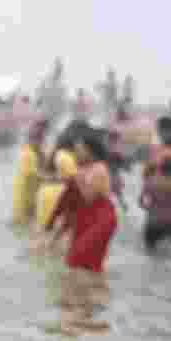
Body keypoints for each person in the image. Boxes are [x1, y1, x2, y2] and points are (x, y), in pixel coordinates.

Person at [45, 128, 119, 330]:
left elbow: (89, 196)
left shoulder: (99, 168)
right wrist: (56, 234)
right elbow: (71, 203)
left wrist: (75, 177)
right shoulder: (84, 169)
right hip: (85, 218)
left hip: (101, 218)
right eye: (75, 149)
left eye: (79, 149)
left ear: (91, 150)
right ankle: (91, 307)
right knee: (83, 263)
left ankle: (87, 313)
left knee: (80, 260)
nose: (76, 153)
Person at [12, 119, 49, 226]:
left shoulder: (38, 151)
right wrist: (52, 178)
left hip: (33, 197)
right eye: (38, 138)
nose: (41, 140)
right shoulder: (28, 153)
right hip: (25, 199)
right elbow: (32, 174)